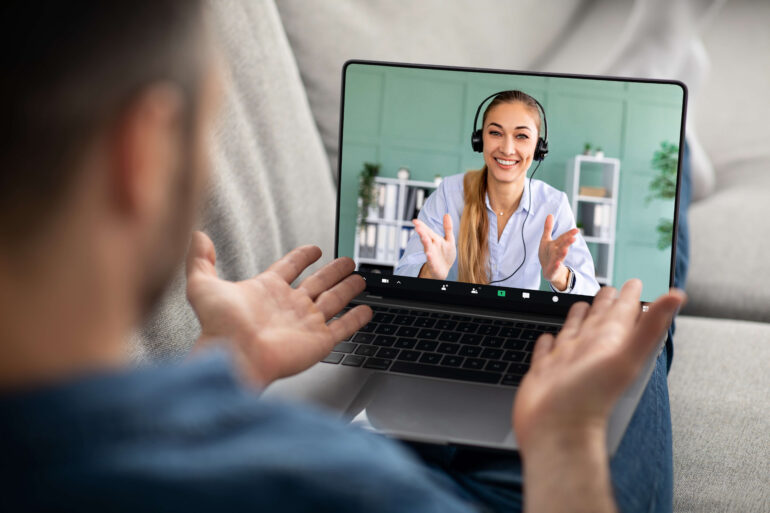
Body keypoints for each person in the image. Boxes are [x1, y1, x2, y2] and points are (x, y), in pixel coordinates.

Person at [0, 2, 686, 512]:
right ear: (142, 156)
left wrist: (225, 362)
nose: (507, 149)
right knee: (640, 322)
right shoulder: (335, 483)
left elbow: (576, 279)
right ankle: (679, 149)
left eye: (522, 138)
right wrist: (566, 439)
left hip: (423, 416)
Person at [395, 90, 600, 296]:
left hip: (520, 321)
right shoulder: (449, 195)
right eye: (495, 133)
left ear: (539, 147)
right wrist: (431, 272)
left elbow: (591, 292)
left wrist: (559, 275)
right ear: (479, 139)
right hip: (456, 315)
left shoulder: (553, 204)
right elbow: (402, 277)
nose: (507, 149)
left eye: (521, 136)